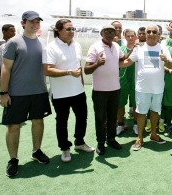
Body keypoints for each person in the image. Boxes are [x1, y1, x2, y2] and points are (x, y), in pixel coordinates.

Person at [0, 11, 52, 177]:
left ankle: (36, 151)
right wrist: (3, 93)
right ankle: (13, 159)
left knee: (38, 121)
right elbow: (5, 69)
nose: (35, 24)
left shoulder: (42, 43)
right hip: (17, 94)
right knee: (14, 125)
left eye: (37, 22)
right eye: (31, 21)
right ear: (23, 23)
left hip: (39, 91)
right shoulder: (13, 43)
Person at [43, 19, 94, 163]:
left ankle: (79, 142)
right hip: (60, 93)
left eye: (73, 29)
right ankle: (65, 148)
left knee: (82, 117)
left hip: (78, 91)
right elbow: (47, 70)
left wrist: (81, 83)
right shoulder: (51, 48)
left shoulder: (76, 45)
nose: (72, 32)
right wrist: (70, 73)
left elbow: (78, 66)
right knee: (62, 121)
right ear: (58, 31)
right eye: (68, 29)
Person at [119, 25, 172, 151]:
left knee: (155, 112)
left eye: (154, 32)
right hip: (142, 88)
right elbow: (128, 62)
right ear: (145, 34)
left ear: (158, 34)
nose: (151, 33)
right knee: (142, 113)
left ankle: (154, 135)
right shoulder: (139, 48)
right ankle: (140, 138)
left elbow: (171, 63)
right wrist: (112, 65)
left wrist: (166, 60)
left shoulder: (163, 48)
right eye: (148, 31)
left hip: (158, 88)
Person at [84, 24, 124, 155]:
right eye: (106, 31)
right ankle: (101, 142)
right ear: (101, 33)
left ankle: (111, 139)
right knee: (101, 118)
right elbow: (86, 69)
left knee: (113, 117)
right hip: (100, 90)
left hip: (115, 89)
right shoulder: (95, 47)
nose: (110, 34)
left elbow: (123, 59)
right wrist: (98, 63)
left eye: (112, 32)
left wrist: (134, 50)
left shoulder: (117, 46)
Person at [117, 29, 137, 135]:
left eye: (132, 36)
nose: (130, 38)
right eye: (128, 36)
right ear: (125, 37)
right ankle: (120, 125)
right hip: (123, 81)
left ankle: (136, 125)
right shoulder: (120, 49)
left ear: (136, 37)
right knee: (120, 105)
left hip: (136, 81)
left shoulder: (140, 49)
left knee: (135, 105)